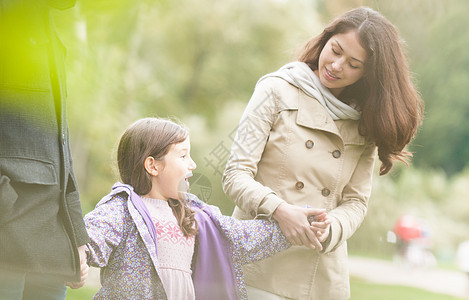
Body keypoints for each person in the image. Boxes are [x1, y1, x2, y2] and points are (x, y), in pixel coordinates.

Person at [223, 6, 424, 300]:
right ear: (325, 39)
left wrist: (330, 229)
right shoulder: (276, 90)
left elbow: (356, 202)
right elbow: (235, 174)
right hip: (257, 263)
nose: (337, 65)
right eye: (336, 50)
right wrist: (280, 211)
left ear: (368, 73)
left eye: (353, 64)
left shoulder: (364, 121)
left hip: (320, 275)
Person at [83, 117, 330, 300]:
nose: (192, 164)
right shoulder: (122, 211)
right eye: (182, 156)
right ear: (153, 166)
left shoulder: (196, 216)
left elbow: (243, 237)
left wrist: (299, 222)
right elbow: (90, 237)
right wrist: (79, 256)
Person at [0, 1, 90, 299]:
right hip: (7, 239)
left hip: (51, 247)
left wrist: (75, 237)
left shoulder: (50, 38)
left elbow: (61, 151)